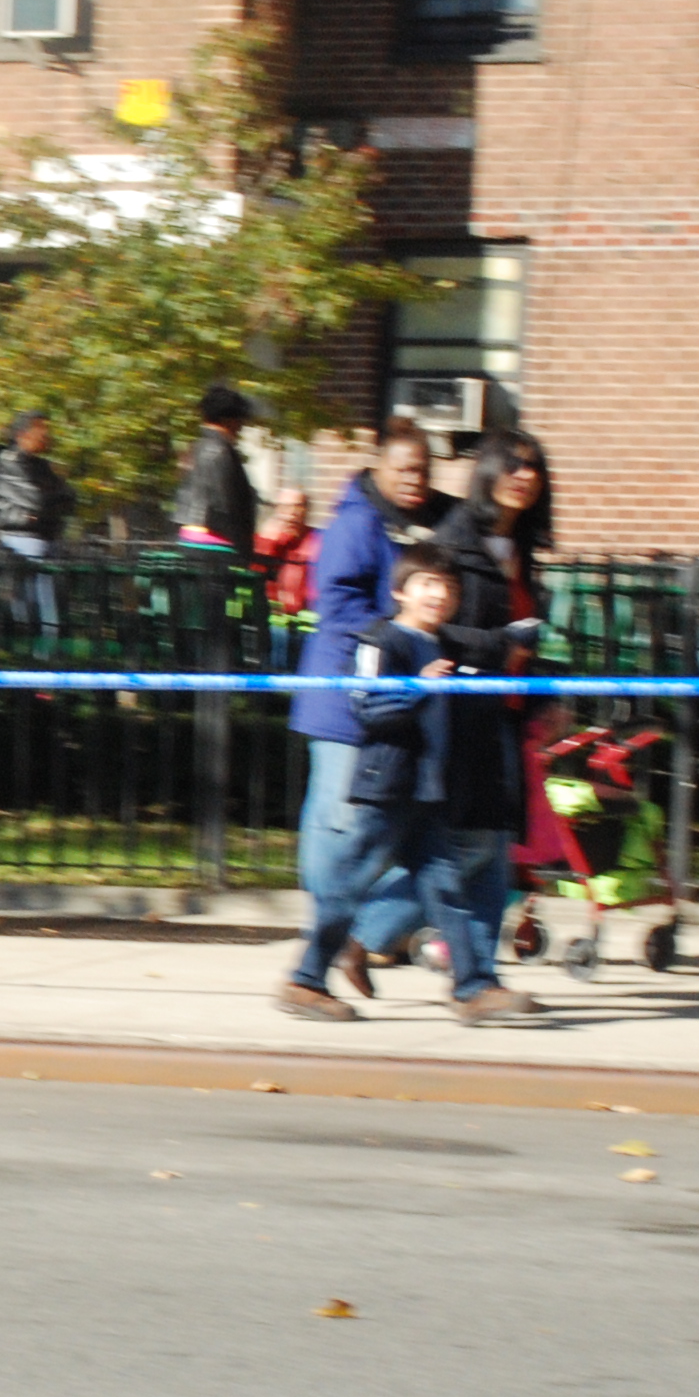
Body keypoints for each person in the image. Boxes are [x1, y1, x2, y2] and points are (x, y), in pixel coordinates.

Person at [281, 538, 544, 1024]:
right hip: (387, 791)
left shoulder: (443, 644)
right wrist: (419, 689)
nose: (440, 595)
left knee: (447, 891)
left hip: (427, 793)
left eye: (449, 588)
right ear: (400, 591)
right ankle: (305, 981)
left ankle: (472, 989)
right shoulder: (382, 640)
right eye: (428, 584)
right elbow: (367, 707)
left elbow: (481, 659)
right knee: (347, 889)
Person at [290, 415, 445, 987]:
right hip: (342, 702)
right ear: (379, 466)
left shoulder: (398, 523)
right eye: (405, 469)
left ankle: (340, 940)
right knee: (338, 829)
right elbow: (337, 605)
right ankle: (328, 945)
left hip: (374, 698)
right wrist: (402, 631)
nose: (415, 480)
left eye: (423, 471)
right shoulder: (356, 522)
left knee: (363, 831)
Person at [434, 427, 551, 631]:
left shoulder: (524, 548)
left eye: (533, 466)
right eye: (512, 464)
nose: (526, 475)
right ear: (487, 469)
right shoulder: (450, 547)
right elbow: (430, 627)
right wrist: (499, 642)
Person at [0, 410, 71, 641]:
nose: (46, 434)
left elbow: (69, 498)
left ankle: (46, 651)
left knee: (48, 611)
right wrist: (47, 504)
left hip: (47, 541)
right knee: (29, 609)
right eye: (40, 428)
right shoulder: (9, 461)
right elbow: (36, 500)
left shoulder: (42, 465)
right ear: (22, 434)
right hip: (22, 544)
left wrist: (46, 506)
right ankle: (30, 652)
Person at [173, 386, 260, 555]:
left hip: (188, 536)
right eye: (240, 421)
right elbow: (225, 505)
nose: (241, 428)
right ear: (229, 420)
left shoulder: (195, 448)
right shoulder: (221, 452)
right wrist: (244, 548)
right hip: (215, 543)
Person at [251, 487, 318, 622]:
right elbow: (254, 578)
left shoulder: (316, 542)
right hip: (270, 617)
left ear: (307, 510)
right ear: (276, 510)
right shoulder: (264, 541)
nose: (291, 513)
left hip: (305, 618)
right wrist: (267, 543)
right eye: (285, 507)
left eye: (298, 506)